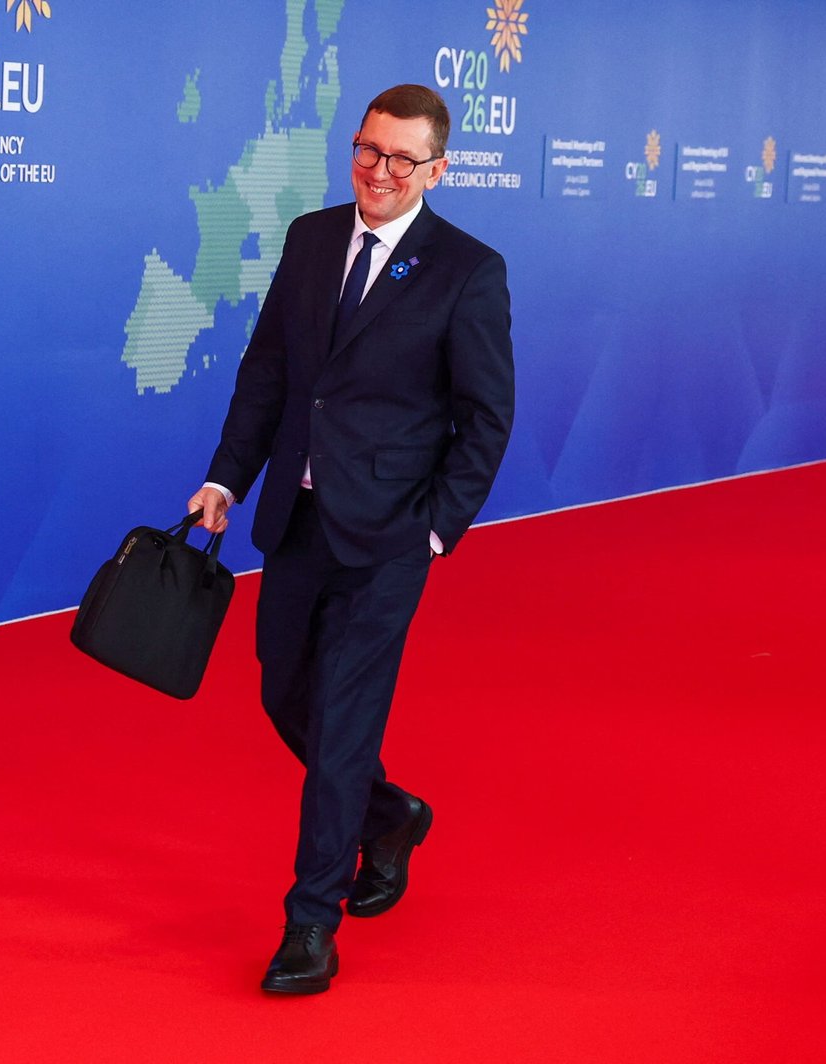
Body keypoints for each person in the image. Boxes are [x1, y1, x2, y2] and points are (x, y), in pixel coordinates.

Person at [187, 84, 514, 995]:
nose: (380, 171)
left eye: (403, 159)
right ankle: (390, 813)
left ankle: (310, 923)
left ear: (438, 170)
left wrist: (436, 531)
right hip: (294, 524)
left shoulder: (468, 270)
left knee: (341, 724)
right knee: (281, 692)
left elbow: (487, 416)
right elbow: (268, 373)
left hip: (389, 539)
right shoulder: (311, 238)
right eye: (369, 150)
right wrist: (226, 478)